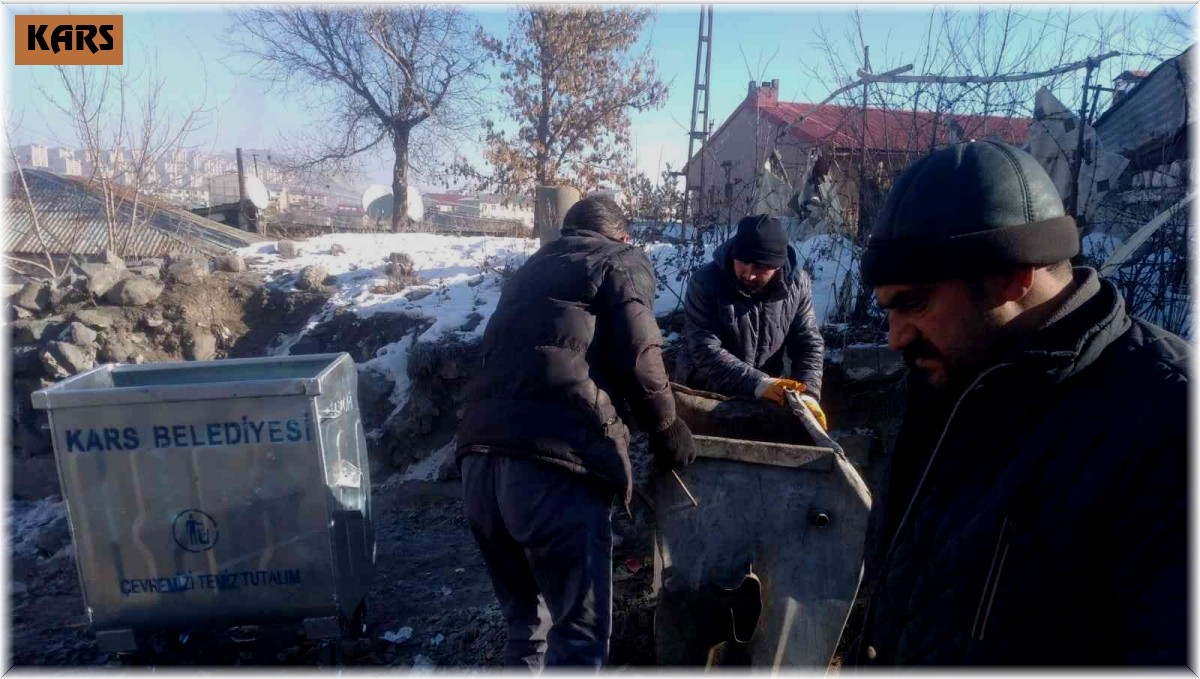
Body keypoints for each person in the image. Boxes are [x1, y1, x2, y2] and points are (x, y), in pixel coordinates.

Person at [852, 140, 1187, 666]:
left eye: (914, 304)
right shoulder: (951, 370)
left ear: (1012, 276)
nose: (895, 337)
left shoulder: (1170, 419)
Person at [456, 194, 696, 670]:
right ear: (622, 234)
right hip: (554, 466)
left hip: (479, 464)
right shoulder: (620, 260)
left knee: (528, 632)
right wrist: (667, 426)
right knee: (580, 638)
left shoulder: (528, 270)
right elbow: (640, 355)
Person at [674, 213, 828, 427]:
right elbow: (704, 348)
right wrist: (759, 383)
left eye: (760, 267)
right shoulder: (705, 282)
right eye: (743, 262)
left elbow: (808, 342)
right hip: (703, 394)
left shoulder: (798, 284)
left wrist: (808, 393)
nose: (749, 274)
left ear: (778, 266)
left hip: (765, 396)